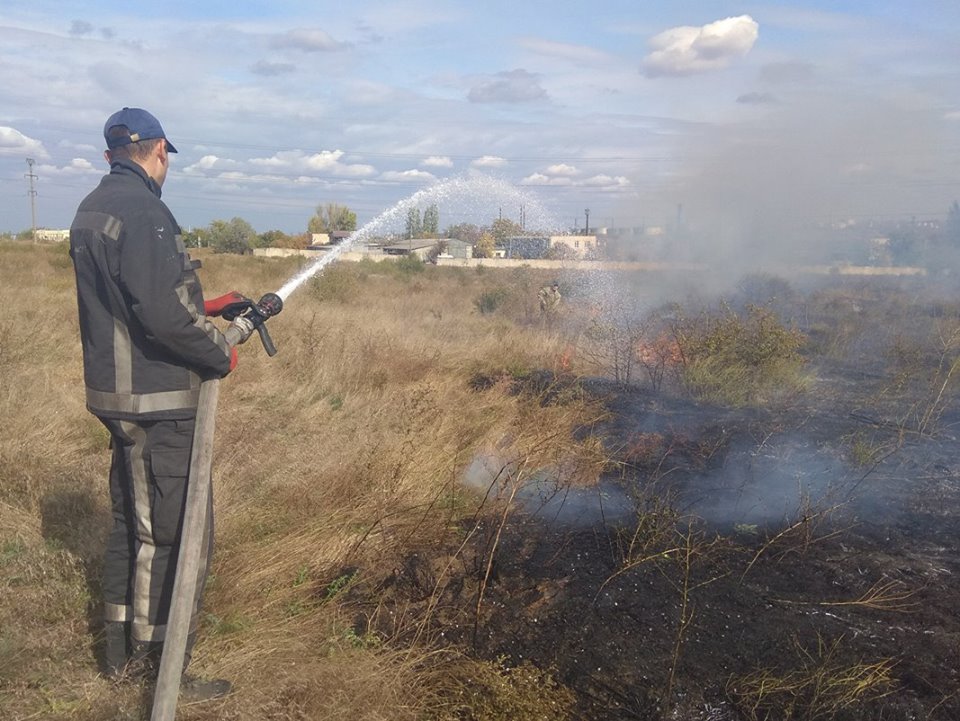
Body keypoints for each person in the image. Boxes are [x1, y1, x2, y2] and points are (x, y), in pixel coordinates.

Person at [69, 108, 254, 700]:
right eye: (167, 155)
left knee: (133, 526)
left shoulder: (96, 206)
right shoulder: (145, 209)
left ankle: (120, 661)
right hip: (156, 401)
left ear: (110, 155)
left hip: (118, 395)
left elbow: (138, 300)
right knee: (178, 537)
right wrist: (216, 352)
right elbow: (160, 312)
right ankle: (160, 670)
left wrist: (211, 303)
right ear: (157, 152)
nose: (166, 163)